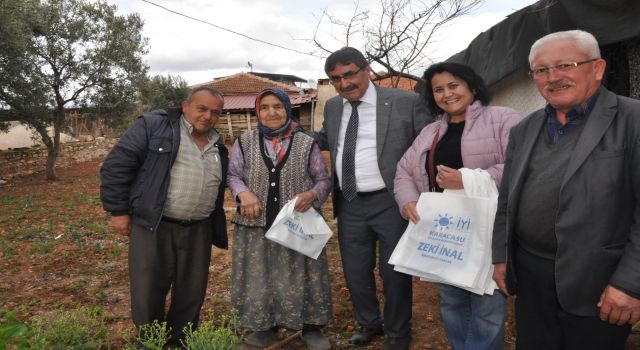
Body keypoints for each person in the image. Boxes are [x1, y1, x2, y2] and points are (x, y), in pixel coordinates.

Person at [492, 29, 640, 350]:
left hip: (600, 280)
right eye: (542, 70)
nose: (553, 77)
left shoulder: (634, 120)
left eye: (566, 65)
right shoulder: (523, 129)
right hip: (531, 274)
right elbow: (507, 201)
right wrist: (501, 257)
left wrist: (629, 284)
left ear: (597, 68)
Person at [394, 62, 521, 350]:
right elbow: (403, 170)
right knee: (451, 300)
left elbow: (521, 166)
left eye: (453, 85)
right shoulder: (430, 132)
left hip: (488, 230)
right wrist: (408, 202)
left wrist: (467, 179)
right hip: (445, 231)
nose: (446, 94)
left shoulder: (503, 119)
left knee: (486, 304)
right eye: (438, 89)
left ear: (471, 86)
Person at [316, 47, 431, 350]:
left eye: (349, 73)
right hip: (350, 201)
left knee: (394, 271)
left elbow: (427, 146)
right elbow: (327, 139)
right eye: (336, 78)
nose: (344, 83)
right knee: (355, 270)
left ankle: (398, 332)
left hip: (392, 201)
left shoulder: (406, 102)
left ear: (366, 69)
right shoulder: (333, 107)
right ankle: (369, 324)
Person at [99, 87, 229, 346]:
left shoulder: (217, 142)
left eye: (215, 112)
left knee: (192, 290)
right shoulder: (154, 126)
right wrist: (118, 210)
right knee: (148, 288)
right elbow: (117, 166)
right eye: (201, 108)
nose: (207, 116)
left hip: (199, 228)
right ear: (185, 106)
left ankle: (181, 340)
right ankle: (150, 341)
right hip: (154, 224)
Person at [228, 87, 333, 350]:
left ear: (287, 109)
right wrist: (243, 192)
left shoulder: (307, 143)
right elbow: (233, 175)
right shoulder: (244, 142)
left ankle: (311, 326)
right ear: (257, 112)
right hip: (256, 223)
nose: (271, 112)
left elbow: (323, 179)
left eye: (277, 106)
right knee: (260, 274)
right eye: (265, 107)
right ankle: (264, 326)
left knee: (305, 271)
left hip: (298, 223)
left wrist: (312, 194)